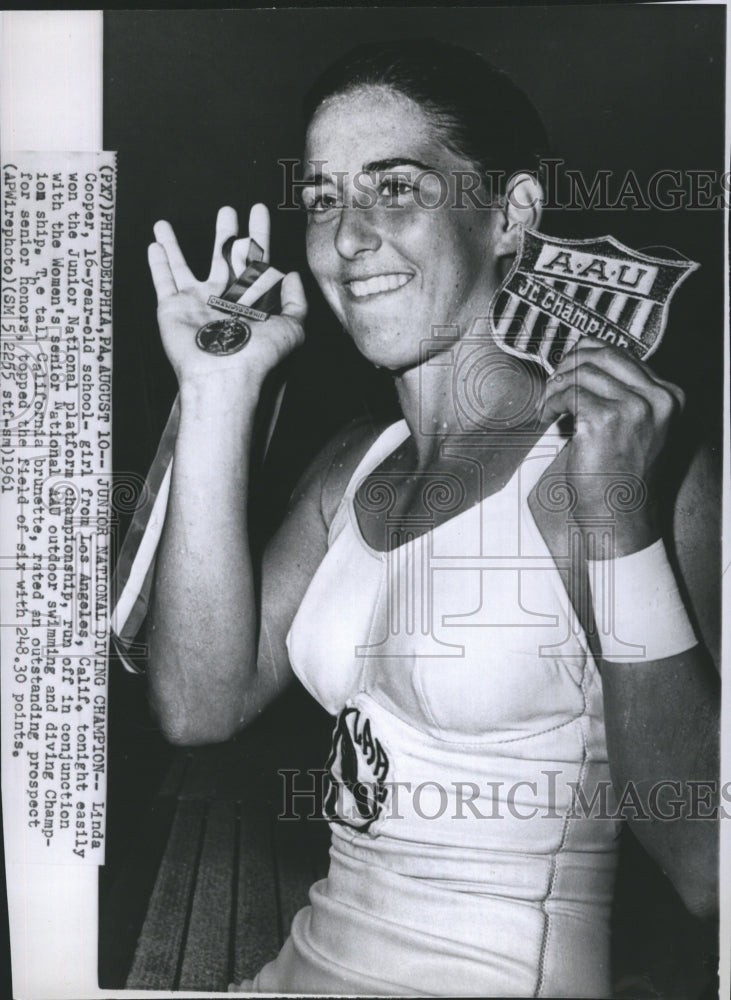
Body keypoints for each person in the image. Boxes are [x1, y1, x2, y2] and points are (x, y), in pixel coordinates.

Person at [144, 40, 719, 998]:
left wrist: (618, 519)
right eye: (324, 198)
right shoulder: (351, 464)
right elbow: (197, 707)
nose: (348, 237)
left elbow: (709, 866)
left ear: (511, 216)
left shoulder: (616, 466)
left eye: (395, 188)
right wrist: (218, 391)